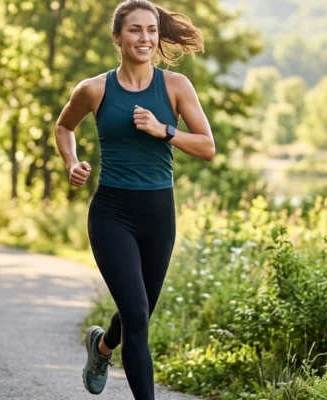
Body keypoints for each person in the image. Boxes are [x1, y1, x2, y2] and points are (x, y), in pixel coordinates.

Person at [54, 1, 215, 398]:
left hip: (159, 214)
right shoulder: (94, 89)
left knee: (137, 314)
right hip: (112, 212)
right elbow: (63, 126)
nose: (145, 38)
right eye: (135, 30)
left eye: (151, 30)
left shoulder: (176, 86)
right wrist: (72, 161)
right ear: (117, 37)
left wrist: (165, 131)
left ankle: (102, 346)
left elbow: (208, 146)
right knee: (139, 317)